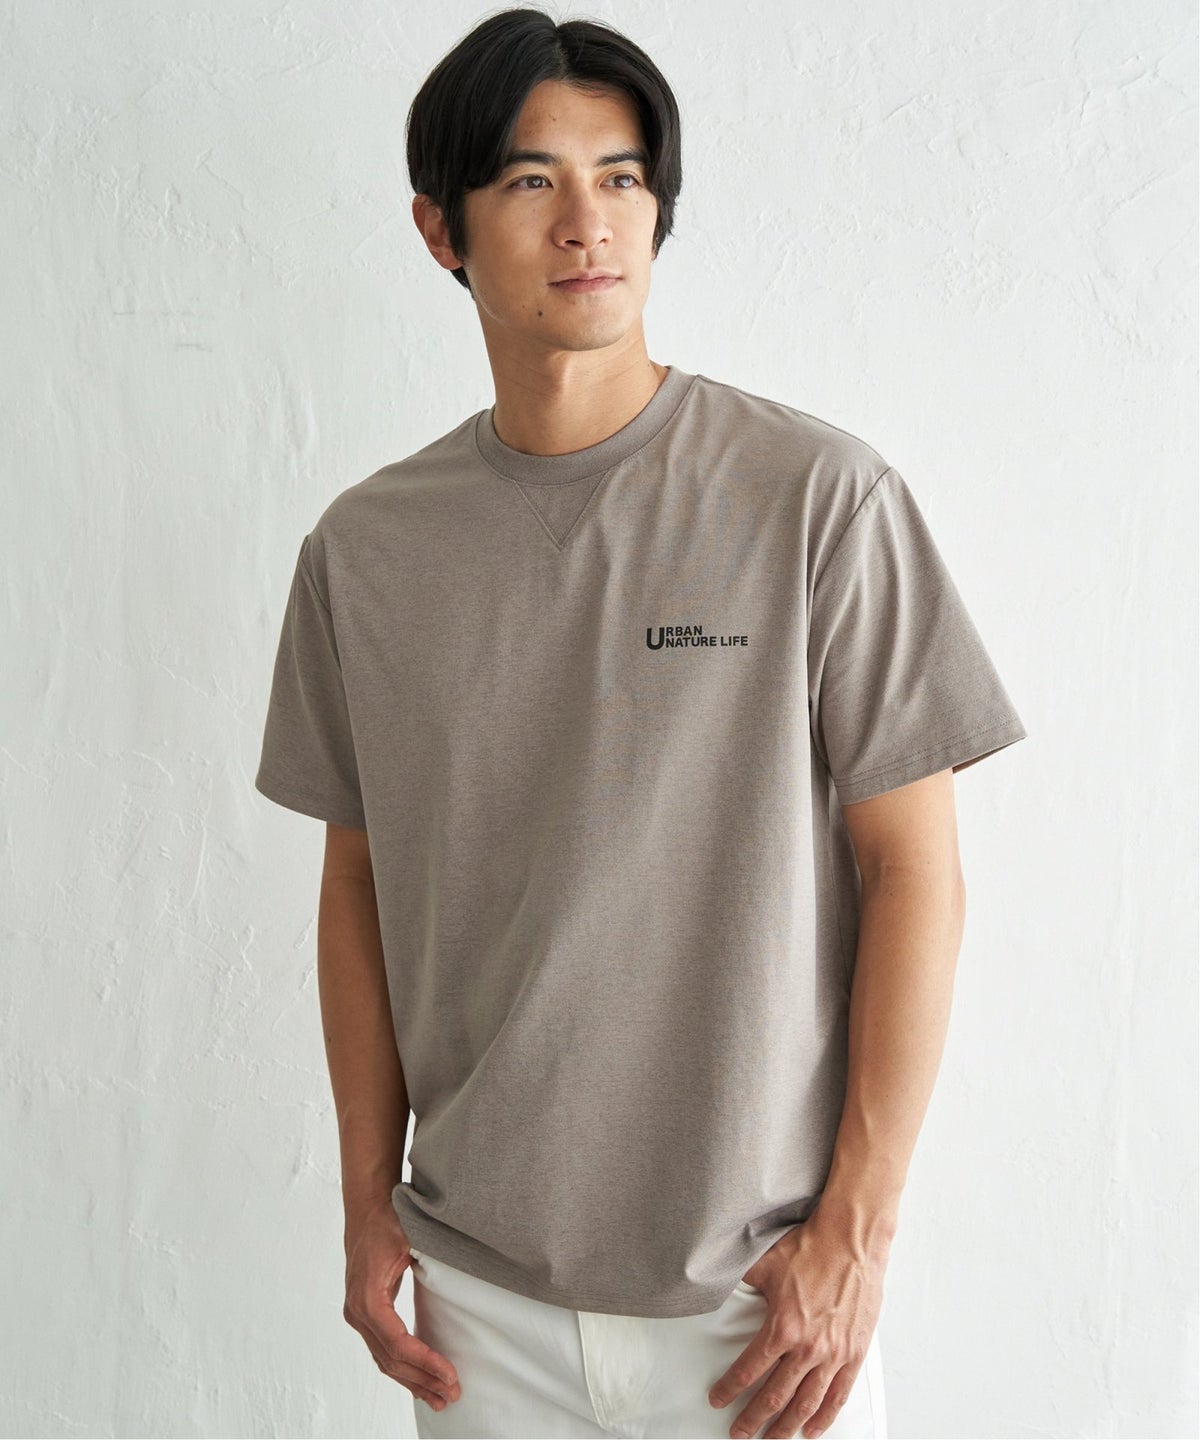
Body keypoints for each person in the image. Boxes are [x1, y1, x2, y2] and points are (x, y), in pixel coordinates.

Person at [253, 9, 1028, 1439]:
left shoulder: (817, 500)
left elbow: (914, 869)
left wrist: (856, 1237)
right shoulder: (364, 552)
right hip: (478, 1303)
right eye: (531, 180)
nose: (588, 221)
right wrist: (365, 1203)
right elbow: (356, 884)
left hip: (760, 1308)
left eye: (621, 177)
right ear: (440, 230)